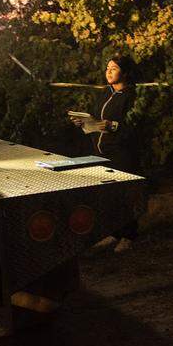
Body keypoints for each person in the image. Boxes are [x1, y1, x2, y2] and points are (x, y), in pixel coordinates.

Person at [74, 55, 139, 252]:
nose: (108, 71)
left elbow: (137, 125)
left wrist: (114, 126)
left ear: (125, 72)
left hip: (121, 152)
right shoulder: (105, 93)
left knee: (124, 195)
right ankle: (113, 233)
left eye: (114, 68)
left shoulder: (132, 96)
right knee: (108, 196)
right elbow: (97, 118)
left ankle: (128, 236)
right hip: (101, 152)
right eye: (107, 68)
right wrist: (83, 122)